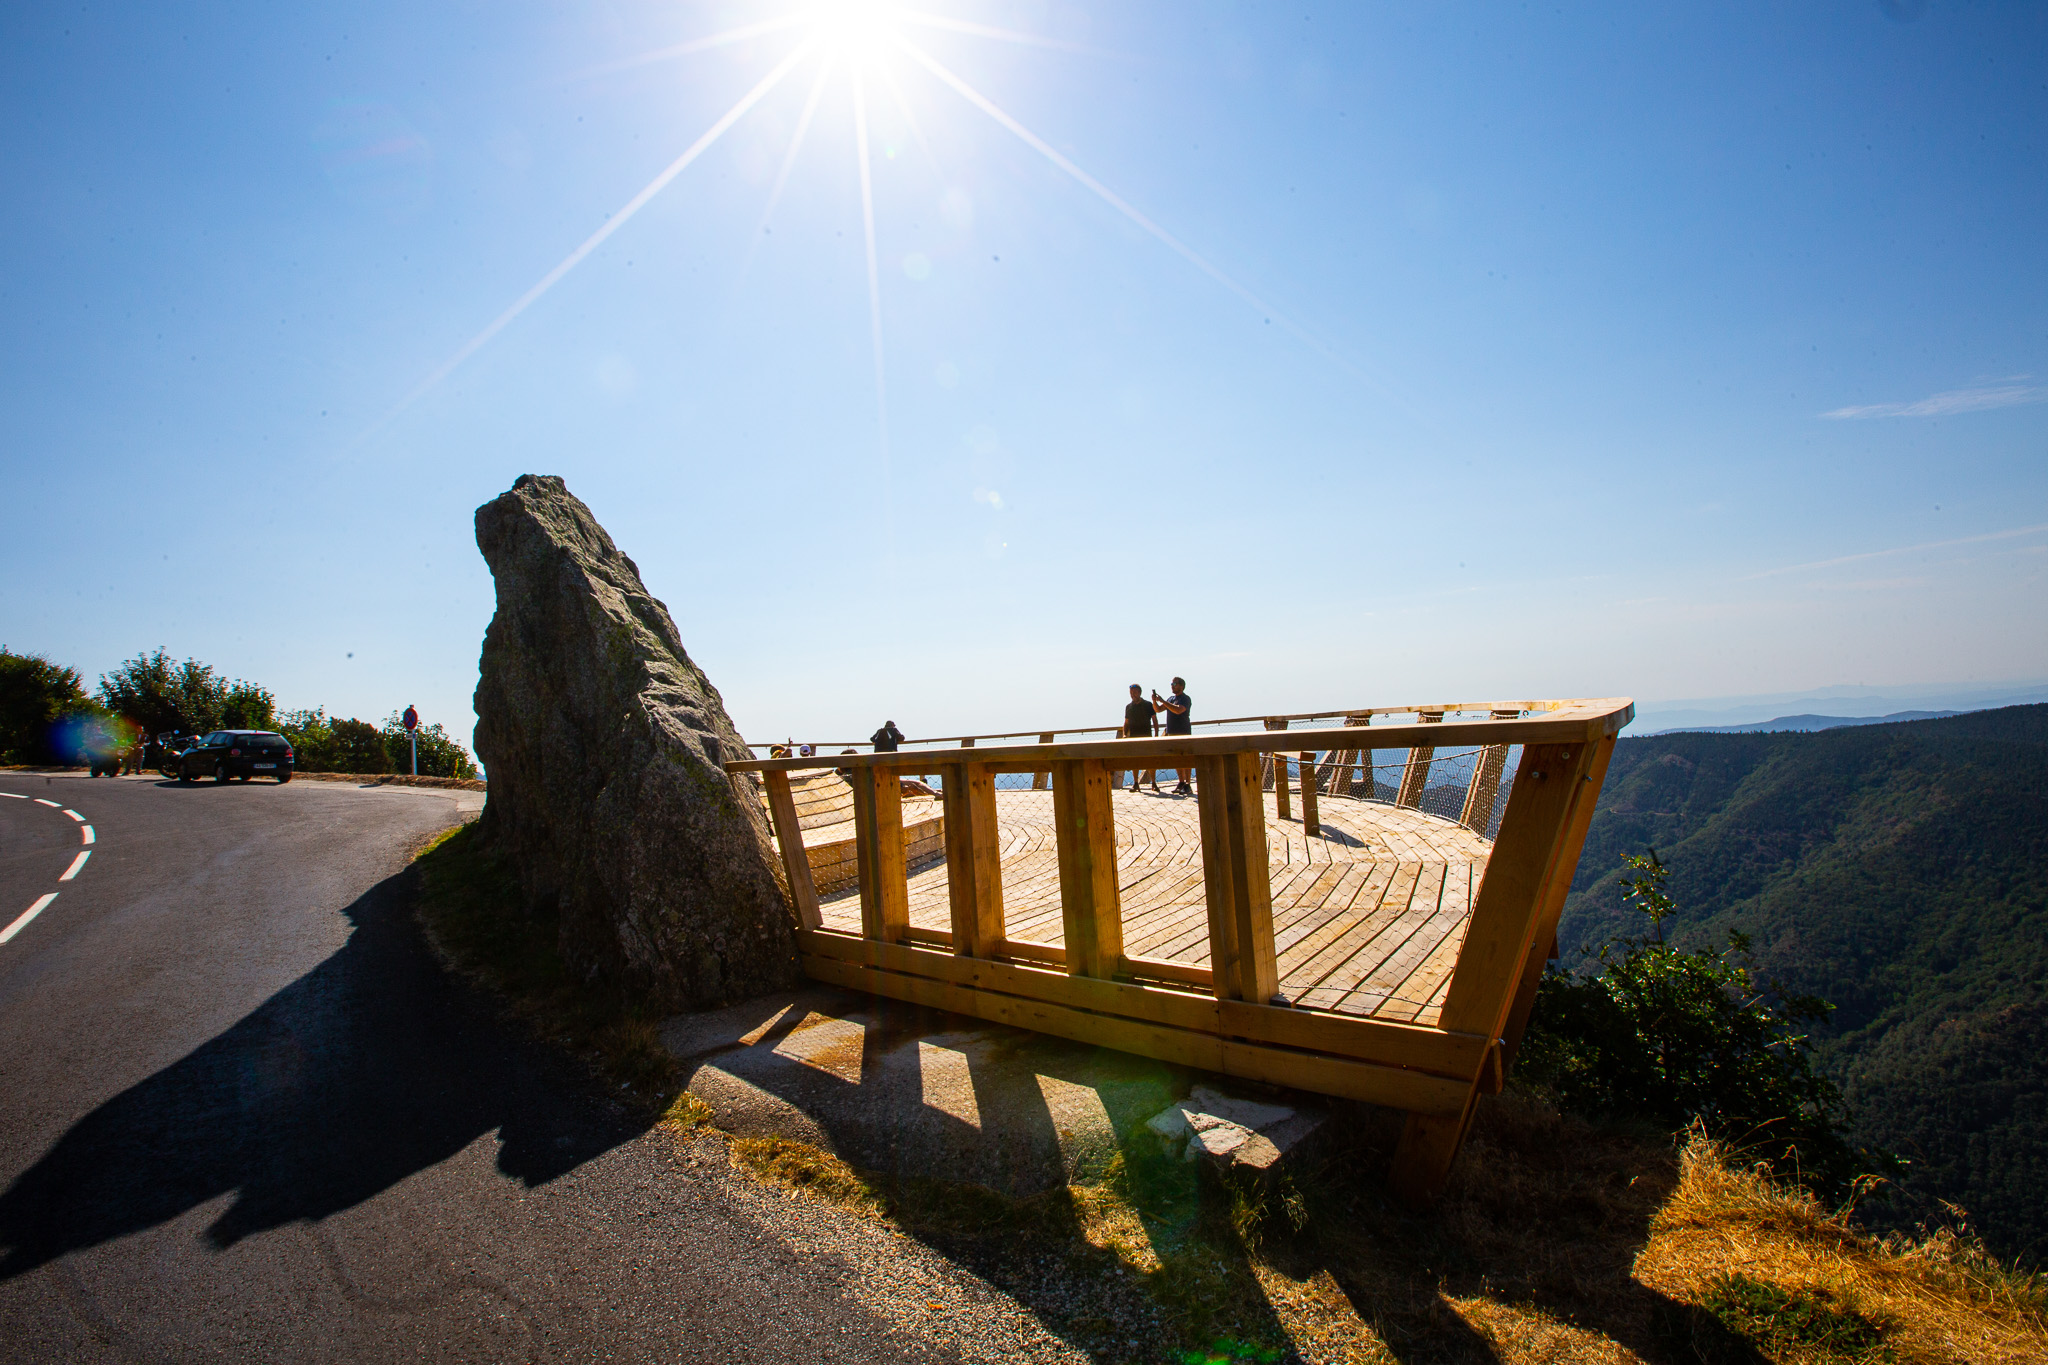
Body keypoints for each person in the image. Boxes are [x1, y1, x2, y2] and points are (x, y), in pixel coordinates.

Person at [1153, 677, 1194, 795]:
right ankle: (1181, 782)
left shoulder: (1185, 698)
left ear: (1181, 686)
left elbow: (1179, 710)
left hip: (1183, 731)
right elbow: (1159, 709)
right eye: (1171, 684)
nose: (1172, 686)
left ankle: (1188, 783)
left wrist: (1163, 701)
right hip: (1172, 732)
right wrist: (1155, 701)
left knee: (1186, 758)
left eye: (1174, 684)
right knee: (1177, 759)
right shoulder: (1170, 699)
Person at [1122, 684, 1159, 792]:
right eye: (1131, 693)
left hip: (1147, 737)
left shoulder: (1148, 705)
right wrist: (1124, 734)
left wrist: (1156, 735)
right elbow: (1126, 723)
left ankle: (1154, 783)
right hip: (1134, 738)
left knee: (1150, 761)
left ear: (1139, 692)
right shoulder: (1128, 707)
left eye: (1134, 692)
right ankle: (1136, 783)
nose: (1132, 695)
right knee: (1135, 761)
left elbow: (1155, 721)